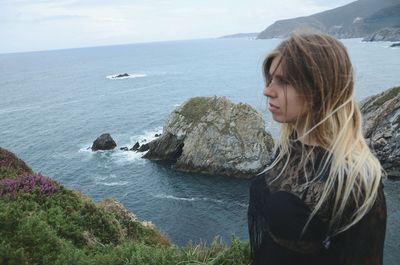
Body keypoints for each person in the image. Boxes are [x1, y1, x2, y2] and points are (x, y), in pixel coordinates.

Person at [247, 32, 387, 265]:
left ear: (318, 88)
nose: (268, 90)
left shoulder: (356, 180)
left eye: (284, 81)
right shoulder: (288, 150)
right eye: (270, 79)